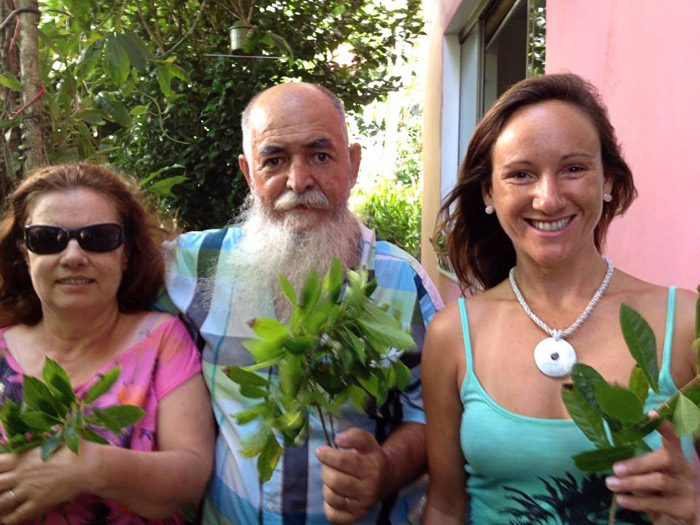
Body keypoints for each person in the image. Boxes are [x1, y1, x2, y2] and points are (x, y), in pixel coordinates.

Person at [157, 82, 443, 524]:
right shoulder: (196, 265)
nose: (299, 180)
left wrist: (383, 469)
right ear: (248, 174)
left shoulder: (400, 280)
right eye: (274, 160)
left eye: (320, 155)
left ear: (353, 164)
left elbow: (438, 418)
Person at [422, 73, 698, 524]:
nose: (548, 199)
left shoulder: (685, 322)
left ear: (607, 180)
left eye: (573, 168)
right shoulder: (453, 335)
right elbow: (445, 506)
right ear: (489, 192)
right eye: (520, 174)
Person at [0, 164, 215, 524]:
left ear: (126, 253)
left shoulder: (161, 341)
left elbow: (191, 476)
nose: (72, 256)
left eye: (98, 237)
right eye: (47, 238)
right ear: (24, 252)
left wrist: (88, 465)